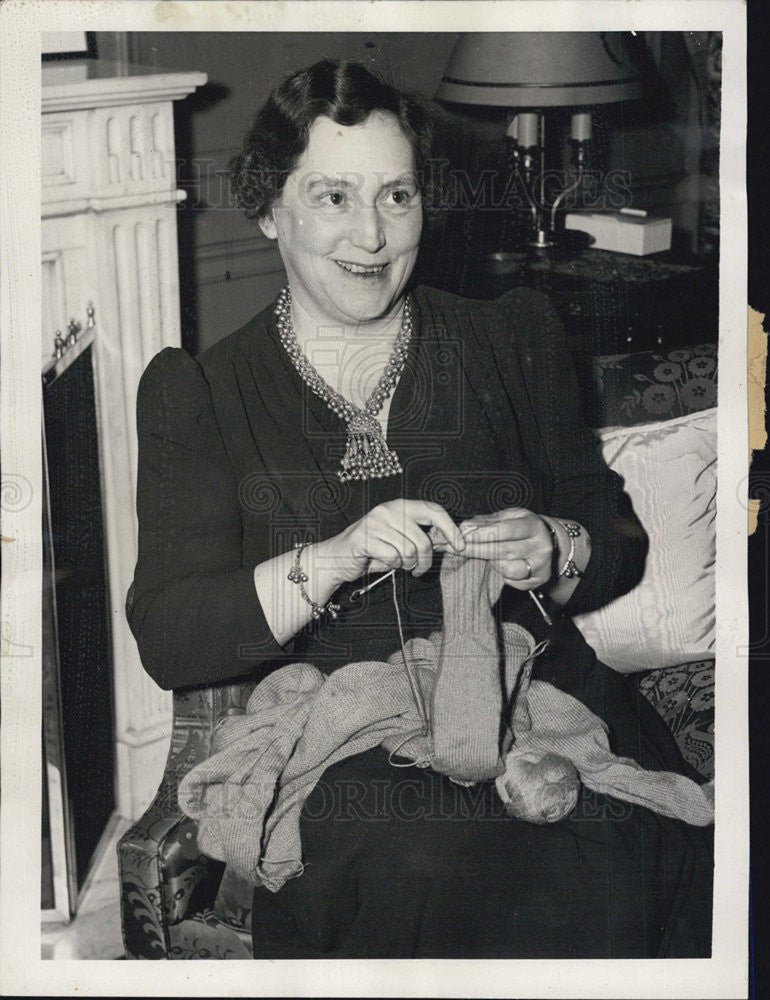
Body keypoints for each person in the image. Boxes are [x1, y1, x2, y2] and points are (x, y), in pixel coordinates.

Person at [128, 58, 713, 959]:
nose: (370, 234)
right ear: (266, 209)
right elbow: (172, 635)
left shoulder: (509, 337)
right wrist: (332, 559)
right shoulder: (203, 394)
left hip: (541, 689)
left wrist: (556, 546)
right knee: (440, 865)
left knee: (638, 840)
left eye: (396, 196)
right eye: (332, 197)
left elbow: (614, 535)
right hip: (354, 738)